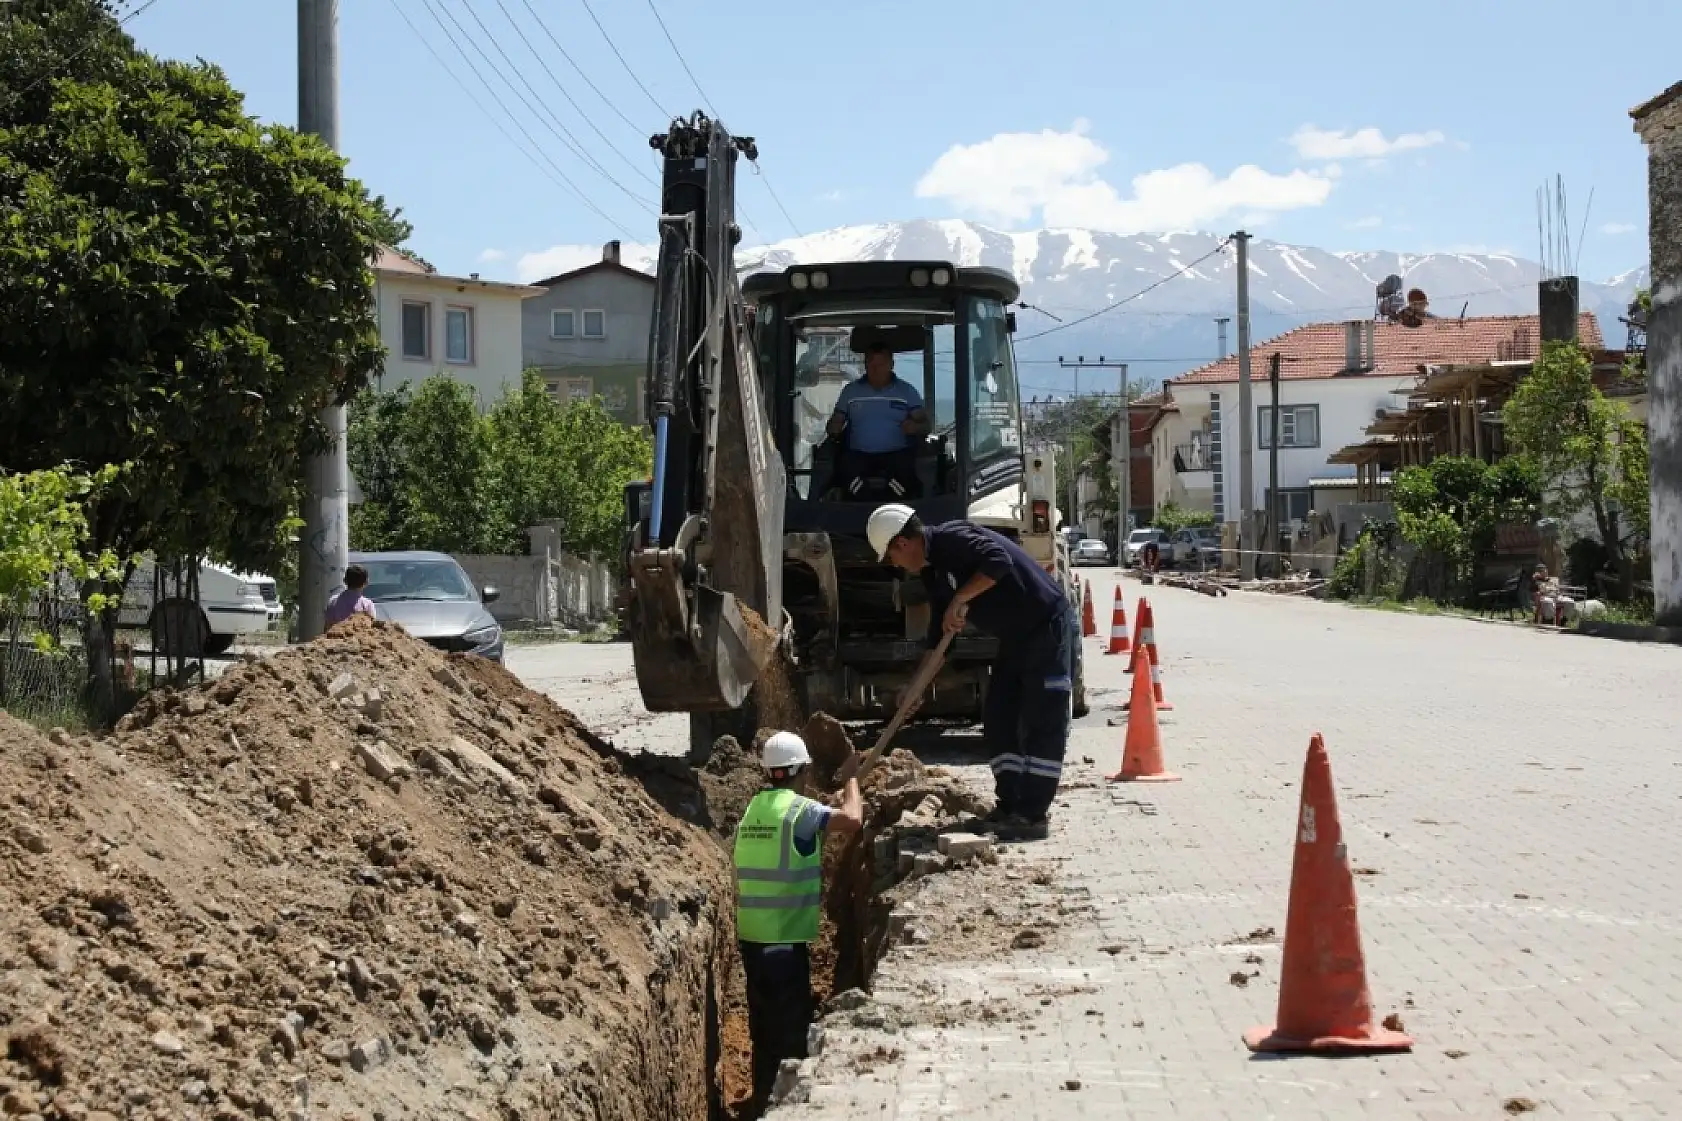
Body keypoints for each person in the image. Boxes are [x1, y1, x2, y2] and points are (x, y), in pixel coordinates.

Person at [866, 503, 1076, 842]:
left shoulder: (954, 538)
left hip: (1044, 627)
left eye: (891, 556)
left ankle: (1031, 815)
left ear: (902, 544)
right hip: (1014, 637)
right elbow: (939, 642)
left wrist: (960, 598)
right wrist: (914, 688)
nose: (895, 565)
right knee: (999, 715)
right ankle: (1009, 805)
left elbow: (999, 561)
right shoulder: (934, 574)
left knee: (1042, 717)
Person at [734, 731, 863, 1105]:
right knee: (791, 1033)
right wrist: (852, 778)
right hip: (784, 944)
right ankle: (786, 1107)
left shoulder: (755, 808)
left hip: (752, 940)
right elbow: (852, 820)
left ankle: (761, 1099)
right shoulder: (798, 811)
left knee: (763, 1027)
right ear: (799, 771)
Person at [826, 339, 929, 499]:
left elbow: (925, 426)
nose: (875, 369)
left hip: (896, 455)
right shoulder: (851, 392)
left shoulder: (907, 392)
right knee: (844, 471)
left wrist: (914, 427)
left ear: (891, 365)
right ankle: (860, 504)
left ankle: (894, 507)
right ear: (865, 365)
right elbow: (836, 422)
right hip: (858, 455)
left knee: (907, 476)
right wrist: (834, 426)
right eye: (871, 364)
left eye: (881, 365)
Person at [324, 564, 376, 629]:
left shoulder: (333, 601)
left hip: (336, 637)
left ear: (344, 581)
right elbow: (372, 630)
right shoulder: (367, 605)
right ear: (366, 582)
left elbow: (327, 627)